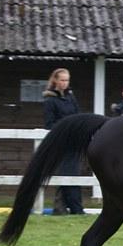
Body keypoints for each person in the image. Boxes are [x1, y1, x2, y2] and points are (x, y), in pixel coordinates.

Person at [43, 68, 84, 215]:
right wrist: (66, 128)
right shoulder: (50, 100)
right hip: (61, 141)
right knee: (68, 173)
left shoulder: (71, 97)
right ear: (55, 81)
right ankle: (76, 209)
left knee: (72, 174)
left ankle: (62, 207)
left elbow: (77, 116)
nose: (65, 83)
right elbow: (49, 124)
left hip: (74, 141)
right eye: (62, 80)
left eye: (67, 80)